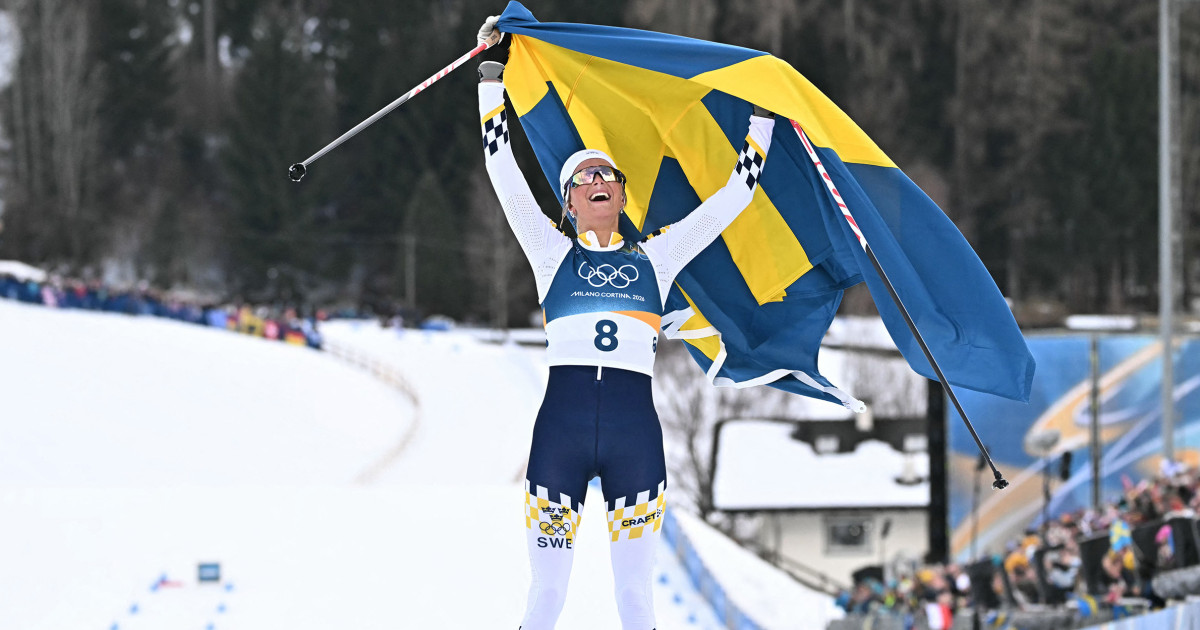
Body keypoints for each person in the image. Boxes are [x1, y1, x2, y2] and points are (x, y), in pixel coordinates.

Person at [475, 16, 776, 630]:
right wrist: (491, 76)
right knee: (548, 591)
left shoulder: (656, 257)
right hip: (558, 436)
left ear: (620, 194)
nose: (600, 183)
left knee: (636, 595)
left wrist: (763, 124)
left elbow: (729, 203)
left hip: (633, 437)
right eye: (586, 178)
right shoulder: (549, 251)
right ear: (569, 200)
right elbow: (504, 171)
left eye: (609, 176)